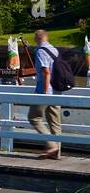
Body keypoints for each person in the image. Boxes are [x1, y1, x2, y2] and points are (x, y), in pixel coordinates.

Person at [29, 28, 62, 160]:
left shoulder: (41, 51)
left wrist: (44, 92)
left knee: (34, 117)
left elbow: (46, 72)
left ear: (37, 38)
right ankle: (57, 153)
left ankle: (51, 146)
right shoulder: (54, 49)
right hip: (56, 91)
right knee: (55, 123)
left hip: (45, 90)